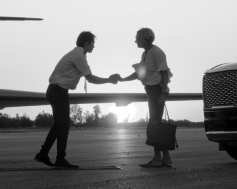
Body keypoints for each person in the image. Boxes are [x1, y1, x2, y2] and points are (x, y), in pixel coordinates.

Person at [34, 31, 120, 169]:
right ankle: (59, 159)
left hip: (57, 91)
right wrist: (109, 80)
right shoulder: (79, 56)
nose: (94, 47)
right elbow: (90, 79)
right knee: (63, 125)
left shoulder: (76, 54)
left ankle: (44, 154)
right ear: (86, 43)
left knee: (60, 125)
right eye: (92, 43)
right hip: (58, 91)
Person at [119, 28, 173, 168]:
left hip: (157, 91)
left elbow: (164, 73)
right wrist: (122, 80)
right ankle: (166, 158)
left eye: (137, 37)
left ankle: (156, 159)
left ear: (144, 39)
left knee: (154, 124)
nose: (135, 40)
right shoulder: (145, 54)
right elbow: (139, 73)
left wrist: (164, 92)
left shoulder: (157, 52)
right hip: (151, 91)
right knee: (158, 124)